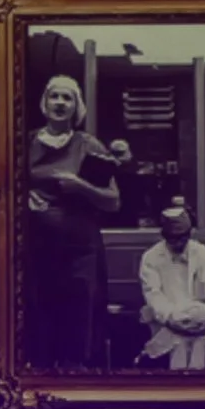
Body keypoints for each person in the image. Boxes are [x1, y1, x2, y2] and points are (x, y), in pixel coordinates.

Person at [24, 74, 121, 372]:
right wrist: (22, 199)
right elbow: (0, 187)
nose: (60, 103)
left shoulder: (88, 145)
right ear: (44, 102)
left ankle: (77, 390)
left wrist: (82, 187)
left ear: (77, 106)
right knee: (39, 320)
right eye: (55, 96)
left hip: (80, 250)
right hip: (37, 248)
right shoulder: (24, 142)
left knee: (79, 323)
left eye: (68, 98)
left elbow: (113, 201)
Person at [138, 202, 205, 371]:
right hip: (167, 321)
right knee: (174, 341)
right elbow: (153, 294)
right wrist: (171, 319)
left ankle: (198, 384)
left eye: (182, 238)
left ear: (189, 234)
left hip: (201, 322)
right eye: (172, 238)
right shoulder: (151, 257)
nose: (177, 243)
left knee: (200, 340)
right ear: (164, 235)